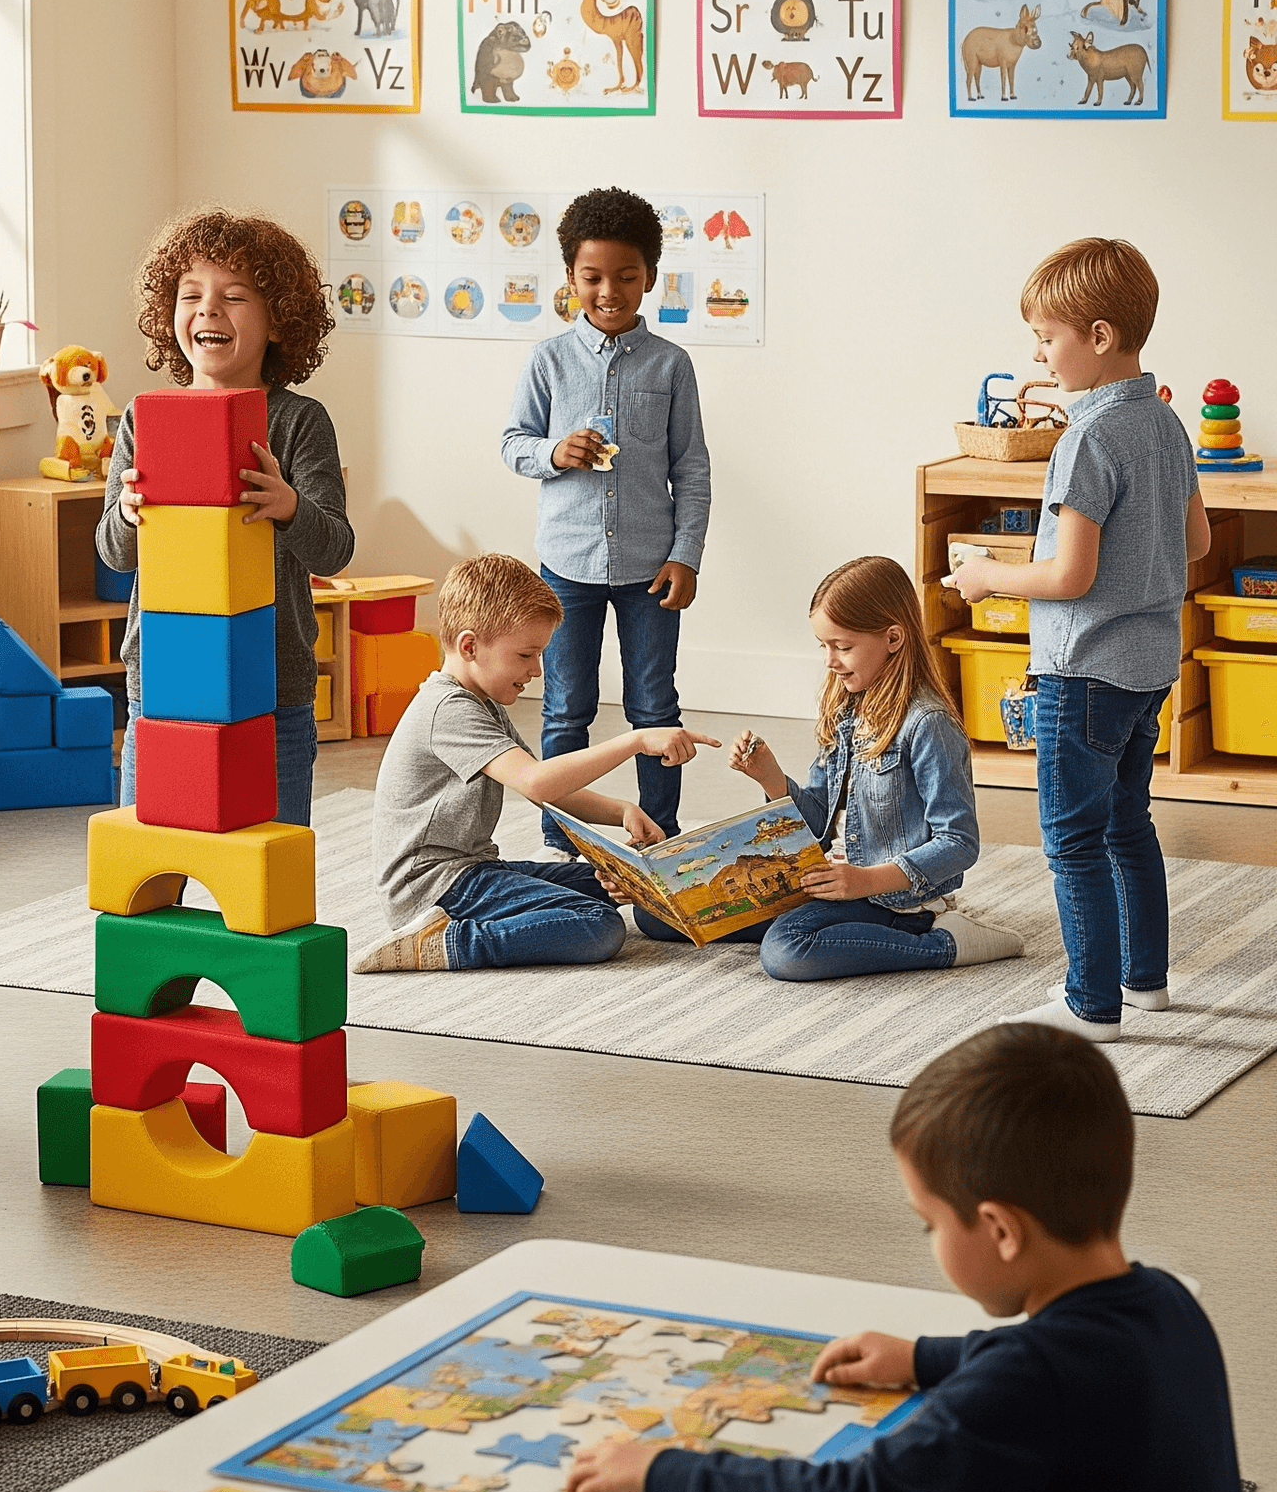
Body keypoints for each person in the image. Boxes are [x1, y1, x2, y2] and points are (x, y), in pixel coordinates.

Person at [565, 1024, 1268, 1492]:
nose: (929, 1240)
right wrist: (926, 1359)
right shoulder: (1167, 1302)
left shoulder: (1026, 1387)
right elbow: (1075, 1368)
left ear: (998, 1229)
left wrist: (663, 1472)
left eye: (928, 1223)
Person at [951, 238, 1206, 1041]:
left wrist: (988, 577)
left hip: (1082, 669)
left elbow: (1069, 576)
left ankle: (1090, 1006)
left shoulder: (1086, 439)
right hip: (1147, 668)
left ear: (1099, 337)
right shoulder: (1165, 420)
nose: (1037, 354)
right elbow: (1196, 541)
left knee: (1071, 841)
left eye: (1047, 337)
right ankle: (1146, 983)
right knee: (1130, 825)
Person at [649, 555, 1021, 979]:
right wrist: (769, 776)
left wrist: (863, 882)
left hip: (893, 899)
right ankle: (822, 924)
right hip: (829, 880)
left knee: (787, 950)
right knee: (663, 914)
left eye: (842, 647)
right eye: (823, 646)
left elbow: (959, 843)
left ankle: (946, 943)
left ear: (894, 638)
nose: (829, 660)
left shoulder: (928, 725)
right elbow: (818, 824)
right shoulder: (845, 708)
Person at [99, 209, 354, 827]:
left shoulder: (298, 421)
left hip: (274, 686)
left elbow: (335, 549)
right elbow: (113, 551)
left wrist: (289, 506)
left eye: (234, 298)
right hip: (162, 679)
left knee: (272, 846)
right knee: (156, 843)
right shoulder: (144, 417)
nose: (209, 310)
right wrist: (131, 514)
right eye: (192, 296)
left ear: (278, 323)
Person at [355, 553, 715, 973]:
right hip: (432, 887)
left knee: (618, 883)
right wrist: (635, 740)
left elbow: (548, 790)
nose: (538, 670)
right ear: (470, 646)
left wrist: (622, 812)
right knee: (597, 924)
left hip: (470, 871)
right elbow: (537, 783)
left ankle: (467, 924)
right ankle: (446, 942)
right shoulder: (448, 710)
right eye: (526, 655)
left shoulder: (481, 702)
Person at [501, 187, 711, 848]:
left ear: (649, 276)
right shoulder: (548, 360)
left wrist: (687, 554)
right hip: (566, 565)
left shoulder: (672, 365)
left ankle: (665, 842)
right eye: (592, 277)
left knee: (654, 707)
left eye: (626, 276)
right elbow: (513, 443)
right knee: (566, 709)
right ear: (570, 278)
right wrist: (554, 452)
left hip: (653, 567)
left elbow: (693, 469)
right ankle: (564, 845)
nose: (609, 291)